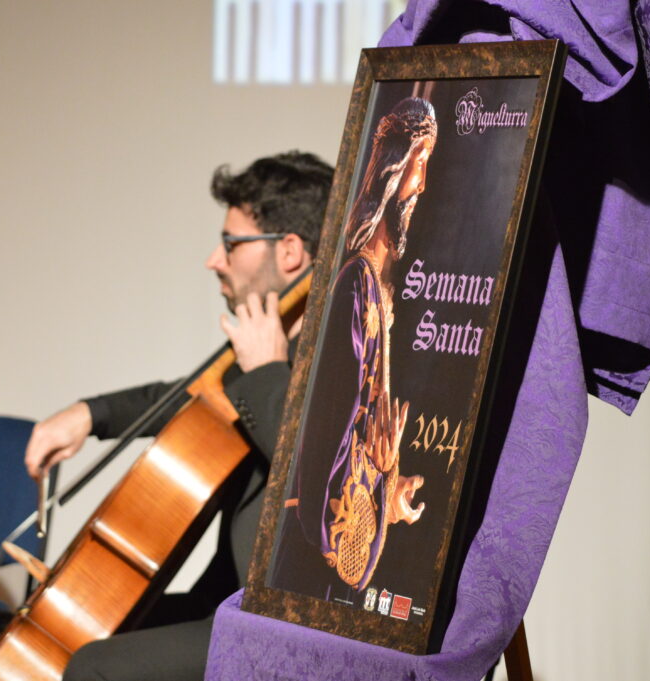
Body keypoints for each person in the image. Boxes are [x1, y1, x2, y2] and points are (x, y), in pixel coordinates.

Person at [23, 151, 334, 680]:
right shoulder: (273, 344)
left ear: (289, 252)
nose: (215, 259)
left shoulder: (339, 354)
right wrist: (85, 415)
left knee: (95, 670)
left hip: (288, 624)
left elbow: (318, 468)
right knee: (74, 634)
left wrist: (264, 370)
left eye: (232, 244)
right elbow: (186, 398)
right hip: (228, 607)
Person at [270, 97, 436, 600]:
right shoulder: (355, 285)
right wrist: (379, 473)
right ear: (394, 165)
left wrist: (391, 489)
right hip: (319, 563)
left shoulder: (377, 284)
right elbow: (333, 437)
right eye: (419, 162)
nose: (423, 183)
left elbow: (363, 425)